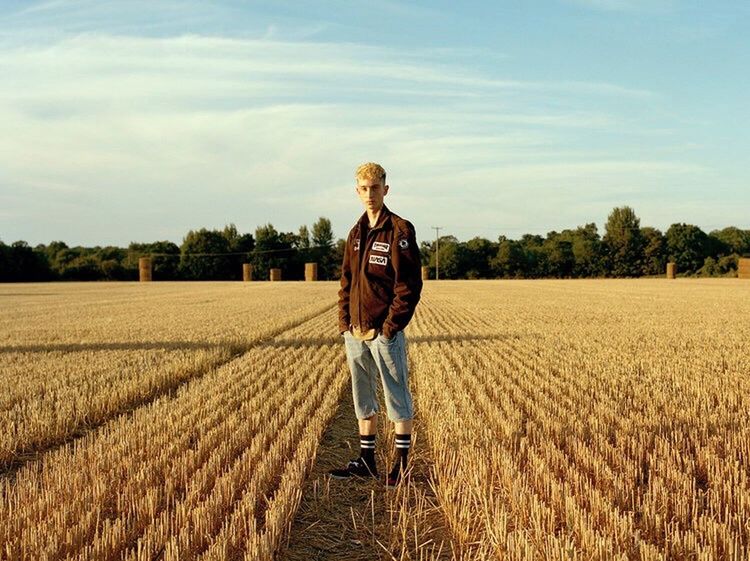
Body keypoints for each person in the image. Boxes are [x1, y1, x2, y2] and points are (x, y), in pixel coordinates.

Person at [329, 162, 423, 488]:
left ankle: (401, 465)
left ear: (386, 189)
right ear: (357, 191)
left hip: (384, 332)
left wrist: (390, 327)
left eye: (376, 187)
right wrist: (344, 322)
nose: (370, 194)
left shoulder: (400, 230)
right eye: (364, 189)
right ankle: (366, 461)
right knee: (363, 396)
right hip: (355, 331)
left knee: (396, 395)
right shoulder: (355, 233)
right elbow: (346, 281)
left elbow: (409, 286)